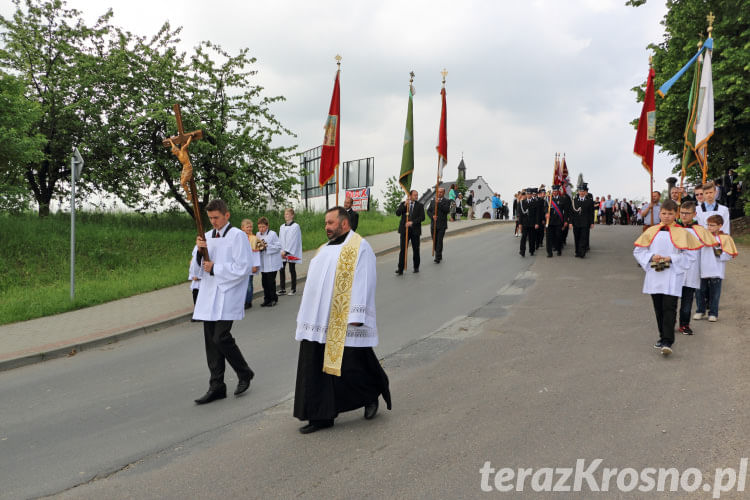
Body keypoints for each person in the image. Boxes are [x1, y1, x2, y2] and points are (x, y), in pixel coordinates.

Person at [293, 207, 392, 434]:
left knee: (351, 366)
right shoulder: (323, 249)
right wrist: (305, 314)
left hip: (342, 317)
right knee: (315, 365)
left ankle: (371, 393)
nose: (326, 227)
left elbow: (365, 279)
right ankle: (320, 416)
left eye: (330, 223)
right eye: (326, 223)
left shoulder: (359, 247)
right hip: (318, 320)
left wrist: (357, 315)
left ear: (344, 224)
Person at [192, 199, 255, 404]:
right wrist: (200, 252)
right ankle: (217, 384)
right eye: (210, 218)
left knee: (221, 337)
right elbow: (198, 269)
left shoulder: (237, 235)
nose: (213, 222)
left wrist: (216, 268)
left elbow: (244, 267)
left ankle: (244, 372)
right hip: (209, 293)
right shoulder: (207, 236)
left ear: (226, 215)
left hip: (228, 293)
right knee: (211, 342)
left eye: (216, 218)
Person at [633, 200, 701, 356]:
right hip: (655, 275)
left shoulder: (682, 233)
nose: (667, 216)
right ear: (659, 213)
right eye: (664, 213)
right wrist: (651, 256)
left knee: (669, 307)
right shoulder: (651, 231)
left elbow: (691, 255)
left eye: (670, 214)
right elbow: (638, 251)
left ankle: (667, 341)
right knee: (658, 307)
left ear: (676, 214)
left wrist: (672, 258)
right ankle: (661, 335)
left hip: (672, 275)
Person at [675, 201, 715, 335]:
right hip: (675, 269)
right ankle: (669, 324)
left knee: (687, 300)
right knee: (672, 301)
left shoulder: (700, 231)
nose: (684, 216)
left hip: (692, 270)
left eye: (687, 213)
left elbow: (710, 247)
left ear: (694, 214)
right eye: (682, 213)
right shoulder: (674, 228)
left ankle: (684, 324)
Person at [694, 214, 738, 322]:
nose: (709, 227)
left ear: (720, 226)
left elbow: (728, 254)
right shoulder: (702, 237)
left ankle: (713, 313)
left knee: (715, 293)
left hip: (717, 269)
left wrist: (719, 254)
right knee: (700, 291)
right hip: (702, 268)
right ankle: (700, 310)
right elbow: (697, 251)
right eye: (708, 225)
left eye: (712, 225)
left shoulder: (725, 238)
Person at [395, 190, 425, 274]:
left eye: (417, 195)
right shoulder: (404, 204)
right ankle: (400, 268)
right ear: (410, 196)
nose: (416, 196)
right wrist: (404, 205)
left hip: (415, 231)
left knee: (416, 249)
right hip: (405, 231)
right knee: (403, 249)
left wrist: (412, 222)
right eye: (415, 195)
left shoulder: (420, 205)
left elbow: (422, 218)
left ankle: (416, 267)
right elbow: (397, 213)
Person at [256, 216, 282, 307]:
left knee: (271, 282)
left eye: (263, 227)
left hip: (272, 263)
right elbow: (257, 245)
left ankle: (273, 298)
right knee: (264, 282)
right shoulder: (258, 234)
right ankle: (266, 299)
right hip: (263, 263)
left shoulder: (273, 234)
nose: (261, 229)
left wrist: (267, 247)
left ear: (267, 226)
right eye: (259, 227)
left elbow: (279, 247)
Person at [279, 208, 302, 296]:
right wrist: (281, 251)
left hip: (291, 251)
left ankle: (293, 288)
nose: (286, 216)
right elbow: (280, 239)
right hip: (282, 252)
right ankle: (282, 288)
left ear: (292, 215)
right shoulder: (282, 227)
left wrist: (287, 251)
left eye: (288, 214)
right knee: (281, 269)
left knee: (292, 269)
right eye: (285, 214)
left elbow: (294, 240)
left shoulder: (295, 226)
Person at [241, 219, 261, 309]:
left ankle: (248, 302)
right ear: (242, 228)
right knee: (241, 284)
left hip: (250, 265)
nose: (249, 228)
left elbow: (256, 254)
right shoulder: (240, 238)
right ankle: (242, 301)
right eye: (247, 227)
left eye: (250, 227)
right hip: (241, 266)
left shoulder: (254, 238)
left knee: (248, 284)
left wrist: (255, 265)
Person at [570, 184, 594, 258]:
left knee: (583, 238)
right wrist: (570, 222)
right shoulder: (574, 201)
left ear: (585, 192)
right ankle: (577, 251)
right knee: (576, 238)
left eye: (583, 191)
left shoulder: (589, 201)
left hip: (585, 223)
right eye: (580, 191)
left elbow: (591, 213)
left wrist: (592, 222)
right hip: (576, 223)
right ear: (578, 192)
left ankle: (582, 252)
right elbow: (571, 213)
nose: (582, 192)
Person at [427, 187, 451, 263]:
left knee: (439, 241)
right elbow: (428, 211)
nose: (439, 193)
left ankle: (437, 257)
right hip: (433, 225)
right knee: (435, 241)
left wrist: (439, 203)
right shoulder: (433, 201)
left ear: (444, 193)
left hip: (442, 225)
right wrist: (432, 216)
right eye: (438, 192)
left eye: (441, 192)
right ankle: (439, 254)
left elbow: (447, 210)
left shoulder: (446, 201)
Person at [518, 188, 538, 257]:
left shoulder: (535, 202)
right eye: (527, 194)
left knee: (532, 238)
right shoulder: (522, 202)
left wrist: (537, 223)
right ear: (526, 194)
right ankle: (522, 251)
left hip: (532, 223)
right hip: (525, 223)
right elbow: (520, 214)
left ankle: (531, 250)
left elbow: (537, 214)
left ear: (532, 194)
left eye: (530, 194)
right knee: (523, 237)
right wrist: (520, 223)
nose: (529, 195)